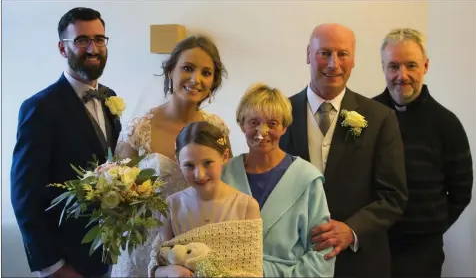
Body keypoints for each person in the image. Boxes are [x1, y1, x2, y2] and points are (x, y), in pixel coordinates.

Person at [278, 23, 408, 277]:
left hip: (359, 263)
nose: (333, 64)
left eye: (342, 54)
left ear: (353, 59)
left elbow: (393, 196)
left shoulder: (381, 118)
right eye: (324, 53)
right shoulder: (279, 114)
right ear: (308, 54)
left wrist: (352, 230)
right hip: (291, 261)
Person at [10, 7, 121, 278]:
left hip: (109, 256)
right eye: (82, 40)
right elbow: (25, 196)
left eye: (99, 39)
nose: (93, 48)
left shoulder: (110, 97)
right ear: (63, 48)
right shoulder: (40, 108)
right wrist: (53, 267)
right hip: (66, 261)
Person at [111, 34, 232, 277]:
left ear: (214, 81)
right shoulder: (138, 128)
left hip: (195, 247)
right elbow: (117, 197)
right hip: (143, 248)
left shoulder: (217, 129)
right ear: (170, 72)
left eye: (206, 73)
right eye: (187, 68)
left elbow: (225, 189)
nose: (196, 79)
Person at [372, 28, 473, 277]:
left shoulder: (446, 124)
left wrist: (431, 227)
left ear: (425, 66)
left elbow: (461, 192)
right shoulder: (366, 115)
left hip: (422, 253)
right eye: (393, 66)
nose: (401, 76)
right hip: (372, 245)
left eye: (411, 66)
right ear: (383, 66)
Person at [222, 82, 335, 277]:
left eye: (272, 123)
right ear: (241, 124)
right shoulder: (225, 174)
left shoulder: (307, 178)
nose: (262, 131)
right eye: (253, 122)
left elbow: (322, 251)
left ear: (284, 127)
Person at [149, 121, 261, 277]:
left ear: (225, 156)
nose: (199, 174)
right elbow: (158, 264)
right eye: (189, 165)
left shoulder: (246, 206)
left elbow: (252, 271)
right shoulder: (172, 205)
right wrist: (169, 271)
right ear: (178, 162)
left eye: (207, 163)